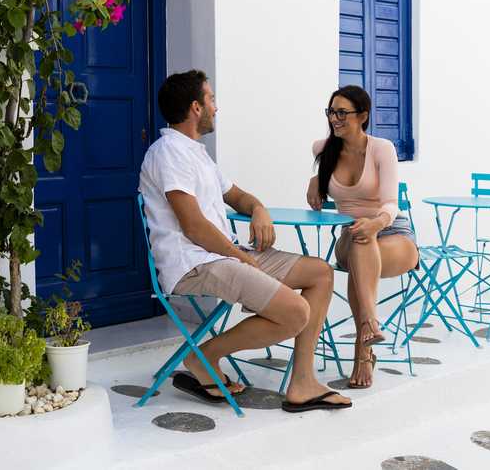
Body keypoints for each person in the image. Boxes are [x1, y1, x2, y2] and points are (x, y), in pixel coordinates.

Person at [139, 70, 351, 412]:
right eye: (211, 99)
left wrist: (258, 209)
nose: (216, 107)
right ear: (195, 107)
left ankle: (303, 382)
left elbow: (237, 196)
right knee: (295, 312)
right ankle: (204, 357)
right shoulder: (168, 152)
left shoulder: (197, 154)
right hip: (195, 263)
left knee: (321, 273)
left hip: (225, 254)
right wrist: (242, 258)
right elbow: (193, 227)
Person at [306, 85, 418, 388]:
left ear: (363, 116)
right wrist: (316, 179)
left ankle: (363, 347)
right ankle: (370, 325)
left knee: (364, 243)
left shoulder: (382, 148)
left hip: (392, 232)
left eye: (342, 113)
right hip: (352, 235)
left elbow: (391, 203)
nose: (335, 118)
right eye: (331, 112)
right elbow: (322, 170)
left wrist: (376, 223)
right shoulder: (322, 149)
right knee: (360, 239)